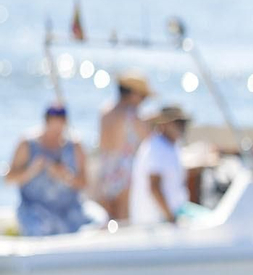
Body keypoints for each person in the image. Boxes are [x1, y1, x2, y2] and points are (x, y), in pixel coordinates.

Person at [5, 104, 92, 235]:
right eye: (53, 128)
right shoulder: (27, 144)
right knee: (41, 230)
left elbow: (84, 183)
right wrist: (31, 171)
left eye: (60, 128)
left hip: (69, 209)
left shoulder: (75, 146)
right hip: (35, 209)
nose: (56, 133)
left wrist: (66, 176)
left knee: (98, 224)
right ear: (45, 123)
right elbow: (9, 179)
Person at [96, 69, 152, 222]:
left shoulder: (106, 110)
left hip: (106, 168)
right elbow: (149, 140)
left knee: (110, 219)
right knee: (123, 220)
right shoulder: (131, 114)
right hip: (124, 170)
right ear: (133, 94)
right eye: (143, 96)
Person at [129, 105, 192, 225]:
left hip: (177, 211)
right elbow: (154, 187)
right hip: (158, 220)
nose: (182, 127)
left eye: (183, 123)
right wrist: (171, 219)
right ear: (164, 125)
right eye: (177, 123)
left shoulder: (171, 145)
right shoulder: (155, 149)